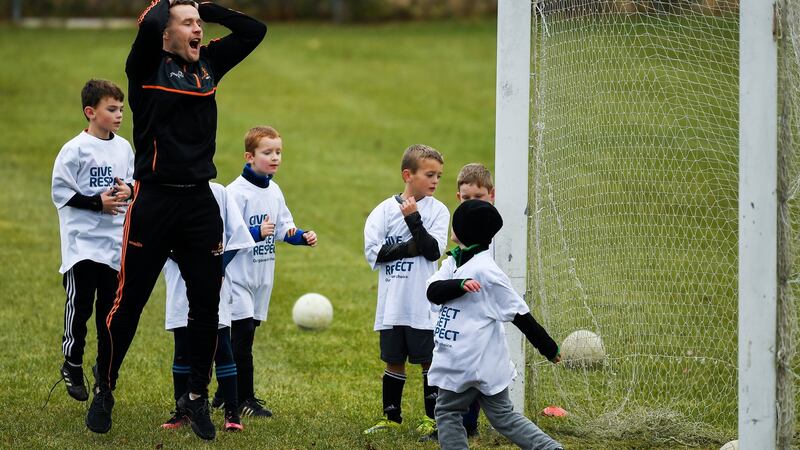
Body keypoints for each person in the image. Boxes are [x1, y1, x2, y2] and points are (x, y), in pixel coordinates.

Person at [86, 0, 266, 441]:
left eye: (199, 23)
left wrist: (207, 7)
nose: (198, 29)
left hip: (200, 205)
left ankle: (196, 398)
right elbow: (149, 20)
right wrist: (171, 4)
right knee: (127, 306)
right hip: (154, 203)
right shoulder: (146, 64)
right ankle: (104, 388)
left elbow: (253, 31)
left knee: (207, 307)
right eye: (188, 23)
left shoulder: (208, 64)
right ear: (165, 33)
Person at [426, 200, 563, 450]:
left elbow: (519, 313)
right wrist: (458, 285)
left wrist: (548, 347)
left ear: (465, 231)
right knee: (504, 417)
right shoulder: (453, 263)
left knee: (446, 412)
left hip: (465, 363)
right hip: (487, 363)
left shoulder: (487, 271)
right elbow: (433, 291)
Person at [224, 126, 317, 418]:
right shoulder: (234, 193)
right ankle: (244, 399)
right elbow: (223, 236)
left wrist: (301, 236)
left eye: (278, 152)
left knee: (246, 336)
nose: (275, 157)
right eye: (268, 152)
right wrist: (254, 231)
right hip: (236, 277)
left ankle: (225, 387)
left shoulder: (274, 190)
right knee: (242, 337)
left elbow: (283, 229)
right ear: (249, 156)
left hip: (262, 277)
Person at [51, 79, 134, 403]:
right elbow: (61, 191)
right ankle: (72, 363)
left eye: (121, 109)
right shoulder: (75, 150)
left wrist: (128, 189)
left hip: (114, 245)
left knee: (109, 315)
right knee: (80, 305)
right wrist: (97, 203)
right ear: (90, 112)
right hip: (82, 244)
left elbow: (130, 182)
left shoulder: (124, 147)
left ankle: (104, 369)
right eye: (111, 109)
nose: (118, 115)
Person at [363, 144, 450, 437]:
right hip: (391, 304)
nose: (436, 181)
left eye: (438, 175)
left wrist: (414, 220)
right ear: (408, 174)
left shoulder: (438, 211)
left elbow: (431, 251)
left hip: (422, 304)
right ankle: (391, 417)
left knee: (429, 360)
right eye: (429, 174)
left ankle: (432, 419)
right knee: (394, 359)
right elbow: (375, 252)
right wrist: (406, 247)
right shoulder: (382, 211)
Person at [161, 182, 254, 432]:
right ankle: (182, 411)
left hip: (216, 284)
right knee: (183, 347)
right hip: (180, 283)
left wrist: (216, 267)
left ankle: (232, 412)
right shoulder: (166, 192)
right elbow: (160, 237)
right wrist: (189, 261)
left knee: (222, 346)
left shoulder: (219, 193)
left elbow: (238, 237)